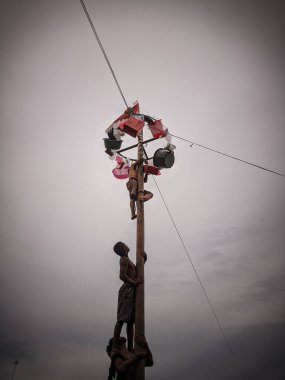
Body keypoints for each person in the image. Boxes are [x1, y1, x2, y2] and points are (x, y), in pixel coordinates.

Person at [112, 242, 147, 354]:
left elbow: (136, 272)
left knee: (130, 322)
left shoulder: (128, 260)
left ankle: (131, 348)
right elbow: (122, 276)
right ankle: (114, 347)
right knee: (122, 319)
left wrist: (143, 260)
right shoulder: (124, 259)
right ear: (124, 248)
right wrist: (134, 283)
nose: (127, 245)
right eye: (125, 244)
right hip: (127, 290)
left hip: (132, 289)